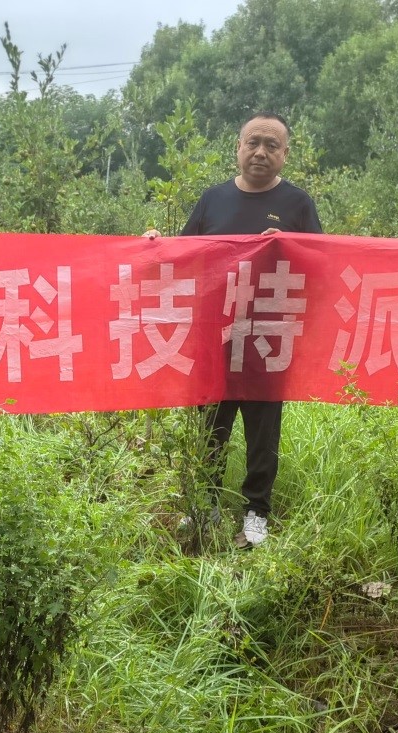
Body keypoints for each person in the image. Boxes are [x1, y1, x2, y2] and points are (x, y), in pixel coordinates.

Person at [146, 111, 323, 548]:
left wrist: (290, 247)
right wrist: (154, 244)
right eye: (253, 142)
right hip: (215, 337)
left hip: (268, 339)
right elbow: (182, 256)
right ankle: (202, 506)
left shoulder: (298, 204)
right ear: (238, 148)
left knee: (264, 432)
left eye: (272, 145)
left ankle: (256, 512)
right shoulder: (213, 200)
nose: (261, 152)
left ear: (285, 154)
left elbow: (321, 268)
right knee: (211, 427)